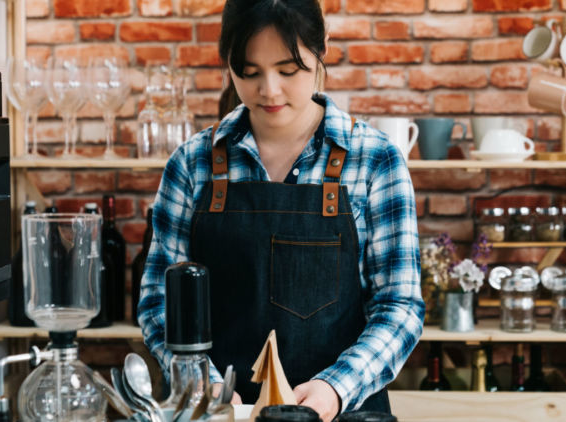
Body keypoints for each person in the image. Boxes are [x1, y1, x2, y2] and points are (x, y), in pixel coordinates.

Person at [138, 0, 425, 420]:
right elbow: (157, 301)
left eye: (288, 70)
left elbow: (399, 306)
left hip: (343, 411)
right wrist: (202, 383)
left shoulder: (374, 160)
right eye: (249, 72)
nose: (269, 90)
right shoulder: (192, 163)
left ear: (322, 48)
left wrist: (335, 387)